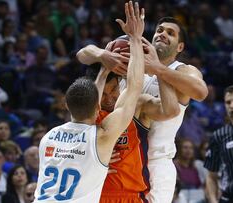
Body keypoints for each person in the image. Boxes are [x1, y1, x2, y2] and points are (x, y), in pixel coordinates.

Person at [77, 16, 208, 202]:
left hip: (157, 163)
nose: (163, 34)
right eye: (160, 30)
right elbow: (82, 54)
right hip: (124, 160)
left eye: (170, 33)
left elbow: (201, 92)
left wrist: (159, 69)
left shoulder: (183, 70)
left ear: (180, 47)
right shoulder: (133, 59)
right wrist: (102, 55)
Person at [33, 1, 145, 202]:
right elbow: (135, 85)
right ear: (97, 106)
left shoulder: (48, 137)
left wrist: (103, 70)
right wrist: (135, 38)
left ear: (66, 105)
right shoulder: (100, 137)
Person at [77, 44, 179, 201]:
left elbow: (171, 111)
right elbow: (82, 53)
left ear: (120, 84)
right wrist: (93, 157)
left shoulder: (135, 104)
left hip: (130, 195)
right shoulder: (84, 115)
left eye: (113, 90)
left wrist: (159, 69)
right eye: (103, 94)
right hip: (95, 194)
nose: (110, 98)